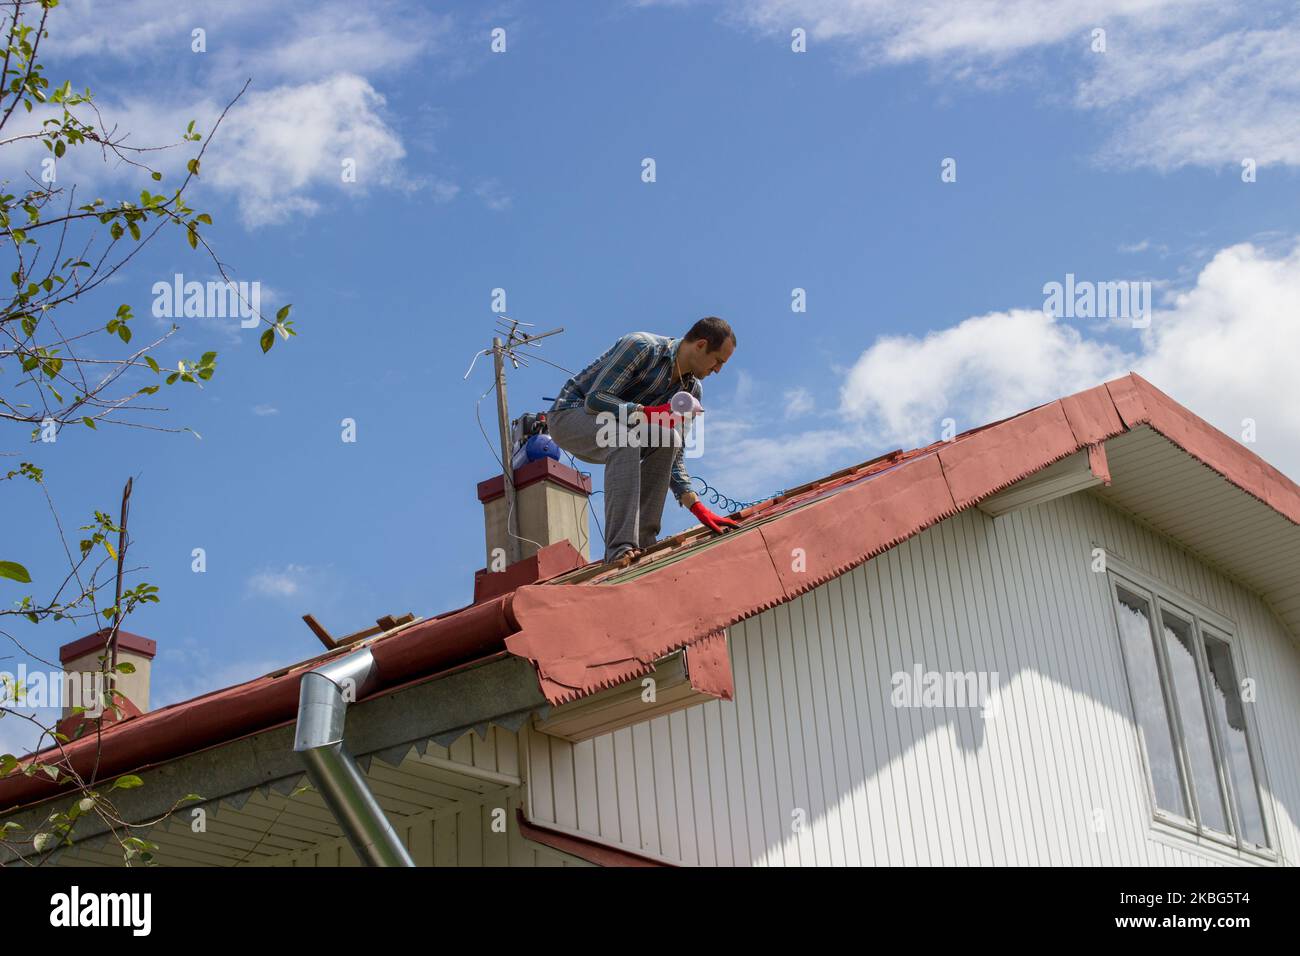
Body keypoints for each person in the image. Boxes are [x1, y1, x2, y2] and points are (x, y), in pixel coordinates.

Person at [548, 317, 740, 564]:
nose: (718, 370)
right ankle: (619, 548)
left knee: (668, 438)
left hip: (621, 431)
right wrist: (646, 413)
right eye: (718, 361)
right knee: (625, 439)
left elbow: (674, 455)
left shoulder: (691, 391)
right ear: (701, 345)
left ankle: (643, 543)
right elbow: (595, 400)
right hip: (570, 416)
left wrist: (695, 505)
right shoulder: (641, 347)